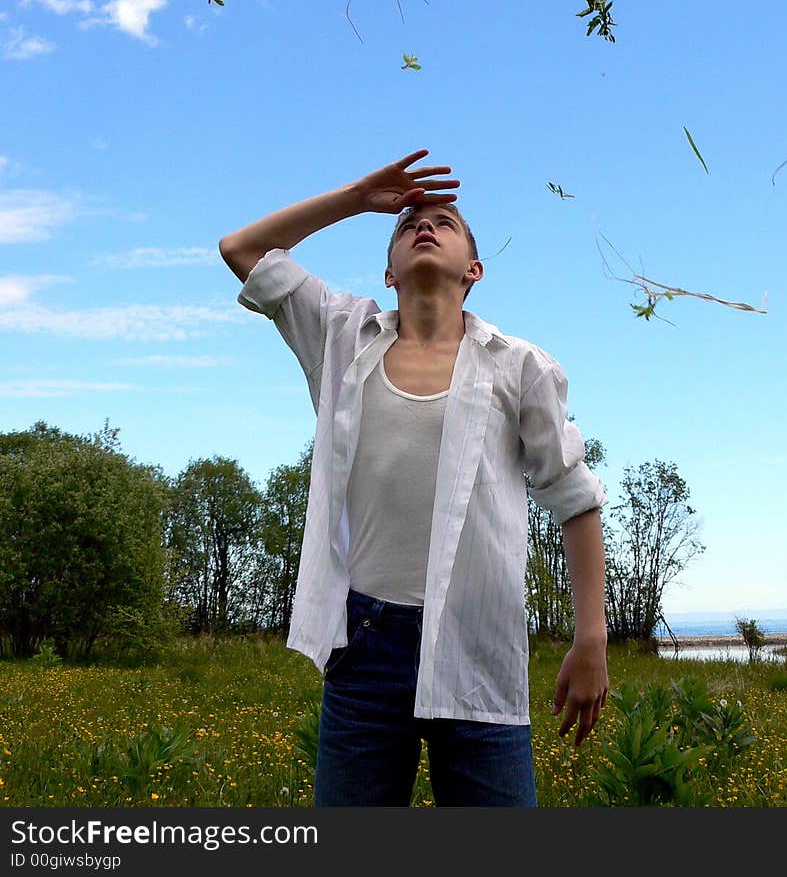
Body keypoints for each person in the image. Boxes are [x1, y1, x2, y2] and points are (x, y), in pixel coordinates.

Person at [219, 149, 608, 807]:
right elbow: (242, 248)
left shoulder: (520, 367)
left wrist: (591, 634)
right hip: (365, 648)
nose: (424, 224)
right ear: (389, 272)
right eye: (409, 224)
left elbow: (574, 498)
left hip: (480, 641)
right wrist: (358, 196)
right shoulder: (341, 335)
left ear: (474, 270)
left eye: (444, 222)